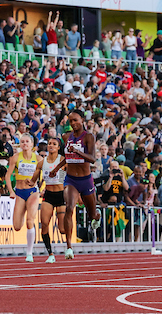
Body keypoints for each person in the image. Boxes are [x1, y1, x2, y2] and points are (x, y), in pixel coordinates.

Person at [49, 109, 101, 259]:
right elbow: (67, 157)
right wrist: (56, 169)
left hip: (86, 180)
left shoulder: (89, 137)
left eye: (76, 120)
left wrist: (78, 152)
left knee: (92, 214)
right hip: (71, 179)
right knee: (69, 208)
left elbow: (92, 159)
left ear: (82, 120)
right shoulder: (66, 137)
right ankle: (69, 247)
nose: (73, 124)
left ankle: (97, 218)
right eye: (71, 121)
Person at [5, 133, 41, 263]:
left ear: (32, 144)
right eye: (22, 142)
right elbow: (8, 176)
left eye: (27, 141)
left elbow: (46, 174)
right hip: (19, 192)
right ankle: (29, 251)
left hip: (32, 192)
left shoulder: (38, 158)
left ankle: (29, 253)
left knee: (30, 221)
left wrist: (42, 189)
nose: (24, 144)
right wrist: (11, 191)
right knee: (17, 226)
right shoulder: (15, 157)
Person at [29, 137, 66, 263]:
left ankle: (69, 245)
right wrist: (29, 182)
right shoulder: (41, 163)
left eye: (54, 144)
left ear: (58, 147)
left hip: (61, 195)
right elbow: (33, 181)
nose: (51, 145)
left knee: (62, 229)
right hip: (48, 195)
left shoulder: (62, 161)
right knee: (44, 224)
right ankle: (50, 253)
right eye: (49, 143)